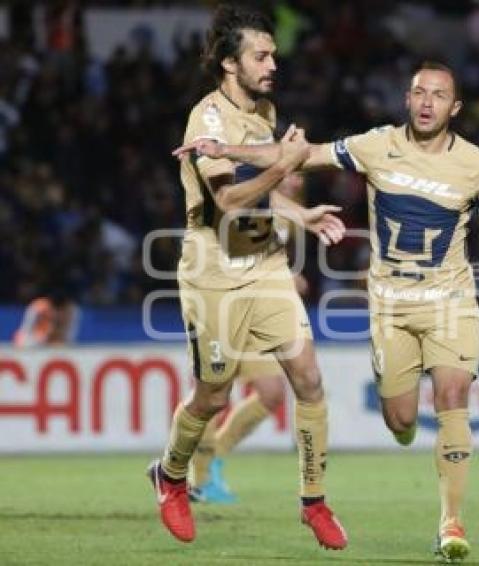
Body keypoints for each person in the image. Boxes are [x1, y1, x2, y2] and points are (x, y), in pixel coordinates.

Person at [175, 61, 479, 563]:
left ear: (456, 107)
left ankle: (450, 521)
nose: (427, 102)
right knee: (401, 418)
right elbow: (300, 155)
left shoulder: (477, 165)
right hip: (391, 307)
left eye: (439, 95)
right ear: (406, 99)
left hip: (451, 302)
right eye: (419, 92)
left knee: (453, 395)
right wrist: (224, 148)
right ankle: (403, 428)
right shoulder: (374, 145)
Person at [150, 4, 347, 550]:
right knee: (212, 395)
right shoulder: (206, 118)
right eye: (260, 56)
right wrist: (286, 164)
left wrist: (298, 213)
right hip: (214, 269)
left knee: (307, 378)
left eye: (273, 56)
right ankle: (170, 476)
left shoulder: (264, 114)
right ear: (230, 64)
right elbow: (231, 199)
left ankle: (314, 501)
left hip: (265, 265)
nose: (271, 65)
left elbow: (262, 197)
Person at [189, 174, 311, 504]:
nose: (297, 181)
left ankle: (214, 459)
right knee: (213, 394)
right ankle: (191, 474)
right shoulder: (247, 197)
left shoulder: (292, 216)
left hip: (258, 313)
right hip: (223, 306)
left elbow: (268, 256)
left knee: (271, 393)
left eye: (301, 175)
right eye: (292, 172)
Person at [13, 288, 79, 348]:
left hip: (57, 341)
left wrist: (59, 341)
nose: (57, 312)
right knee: (26, 342)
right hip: (36, 339)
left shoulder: (72, 310)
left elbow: (69, 335)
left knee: (62, 346)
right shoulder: (38, 307)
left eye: (60, 310)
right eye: (54, 308)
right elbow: (25, 328)